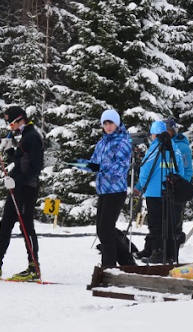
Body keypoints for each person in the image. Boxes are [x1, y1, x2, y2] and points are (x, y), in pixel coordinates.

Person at [0, 105, 44, 281]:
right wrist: (10, 150)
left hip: (27, 188)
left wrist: (17, 179)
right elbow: (21, 161)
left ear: (20, 120)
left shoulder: (32, 137)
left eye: (10, 122)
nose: (9, 126)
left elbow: (35, 166)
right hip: (17, 188)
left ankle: (34, 267)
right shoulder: (25, 136)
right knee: (5, 224)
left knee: (26, 227)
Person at [76, 108, 132, 268]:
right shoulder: (102, 142)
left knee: (106, 230)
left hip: (116, 190)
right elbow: (95, 162)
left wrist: (100, 167)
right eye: (105, 123)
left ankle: (108, 266)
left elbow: (121, 168)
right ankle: (127, 262)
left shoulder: (123, 141)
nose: (108, 126)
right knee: (102, 229)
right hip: (103, 190)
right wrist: (84, 164)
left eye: (111, 123)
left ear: (117, 123)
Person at [136, 120, 190, 263]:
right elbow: (181, 171)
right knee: (170, 224)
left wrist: (141, 186)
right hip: (170, 191)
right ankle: (170, 253)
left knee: (155, 224)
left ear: (154, 134)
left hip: (154, 192)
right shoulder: (175, 148)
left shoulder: (154, 149)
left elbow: (145, 170)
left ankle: (157, 251)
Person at [164, 118, 193, 250]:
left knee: (176, 215)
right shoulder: (165, 143)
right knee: (168, 216)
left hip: (179, 186)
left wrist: (182, 184)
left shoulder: (181, 146)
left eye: (168, 130)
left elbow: (187, 168)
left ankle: (177, 240)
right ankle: (170, 240)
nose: (165, 133)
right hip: (168, 185)